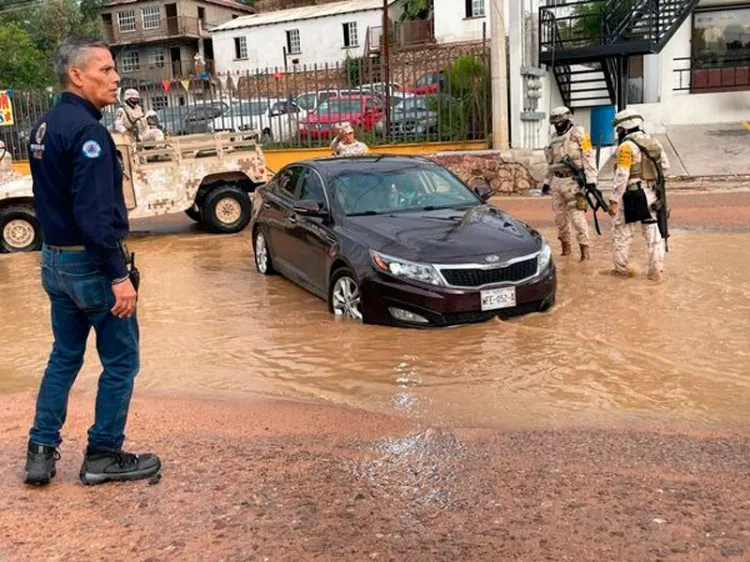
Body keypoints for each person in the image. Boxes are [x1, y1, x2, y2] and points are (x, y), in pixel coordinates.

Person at [24, 36, 161, 486]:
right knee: (121, 361)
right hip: (90, 265)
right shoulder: (89, 133)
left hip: (54, 262)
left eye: (114, 68)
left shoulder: (45, 126)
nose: (116, 77)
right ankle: (103, 453)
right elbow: (95, 214)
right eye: (104, 69)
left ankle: (41, 452)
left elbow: (53, 201)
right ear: (76, 76)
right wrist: (118, 276)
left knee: (64, 356)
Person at [608, 108, 670, 281]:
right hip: (652, 193)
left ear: (625, 128)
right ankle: (656, 273)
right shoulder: (654, 142)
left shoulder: (626, 147)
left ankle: (621, 272)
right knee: (653, 235)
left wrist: (614, 201)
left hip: (632, 195)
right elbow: (665, 167)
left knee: (622, 233)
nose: (618, 133)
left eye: (619, 129)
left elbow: (621, 176)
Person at [541, 106, 599, 261]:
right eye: (555, 122)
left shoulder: (578, 133)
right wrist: (547, 181)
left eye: (560, 121)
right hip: (557, 182)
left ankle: (585, 253)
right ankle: (566, 250)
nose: (558, 124)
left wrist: (591, 180)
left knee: (578, 218)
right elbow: (551, 163)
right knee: (560, 219)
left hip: (574, 182)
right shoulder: (554, 138)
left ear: (567, 119)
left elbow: (588, 155)